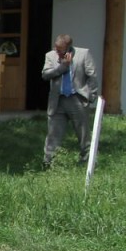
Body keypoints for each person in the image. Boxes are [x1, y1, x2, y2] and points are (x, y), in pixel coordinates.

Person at [42, 33, 99, 166]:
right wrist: (62, 67)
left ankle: (87, 161)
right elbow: (45, 75)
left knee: (83, 133)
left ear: (68, 47)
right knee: (53, 133)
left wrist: (90, 96)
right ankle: (49, 162)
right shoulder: (50, 56)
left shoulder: (83, 54)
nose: (57, 51)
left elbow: (92, 76)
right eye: (55, 48)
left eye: (60, 49)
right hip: (58, 100)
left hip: (77, 99)